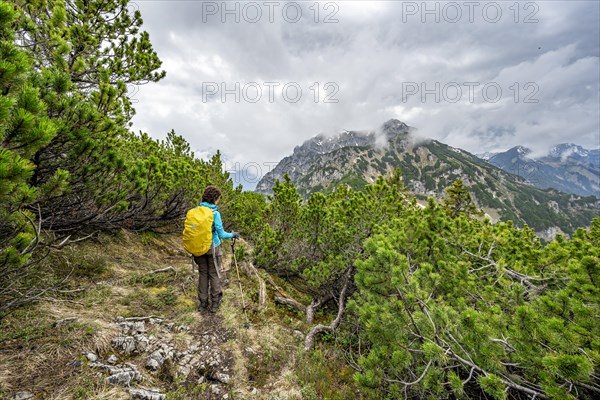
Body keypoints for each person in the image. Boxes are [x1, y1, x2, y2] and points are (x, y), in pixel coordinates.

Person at [194, 186, 240, 313]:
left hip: (198, 247)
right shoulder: (215, 213)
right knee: (214, 274)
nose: (218, 201)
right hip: (212, 247)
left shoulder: (196, 211)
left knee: (203, 274)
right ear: (214, 199)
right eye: (218, 198)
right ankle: (215, 303)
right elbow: (222, 234)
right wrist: (233, 234)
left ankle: (203, 303)